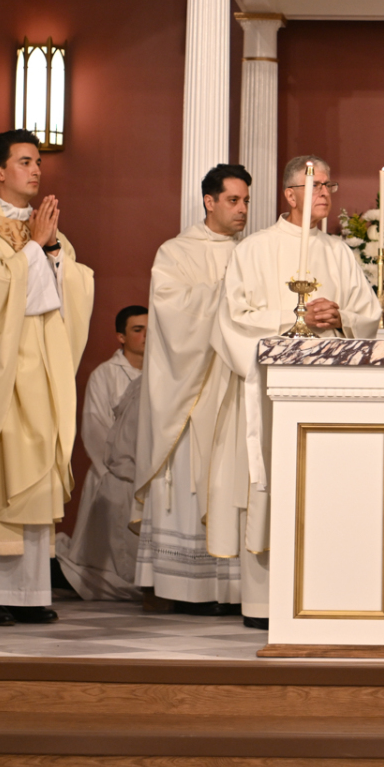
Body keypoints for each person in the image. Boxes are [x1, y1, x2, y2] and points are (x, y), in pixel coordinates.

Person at [215, 156, 380, 628]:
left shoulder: (338, 252)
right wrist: (295, 321)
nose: (326, 192)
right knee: (271, 479)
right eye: (315, 185)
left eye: (329, 184)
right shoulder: (254, 250)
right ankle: (264, 603)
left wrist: (342, 317)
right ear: (290, 195)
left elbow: (367, 312)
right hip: (270, 388)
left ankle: (326, 591)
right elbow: (234, 318)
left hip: (330, 390)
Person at [0, 130, 94, 627]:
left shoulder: (44, 230)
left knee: (36, 473)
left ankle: (29, 593)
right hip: (2, 371)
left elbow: (72, 286)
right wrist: (35, 247)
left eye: (38, 163)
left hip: (41, 371)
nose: (36, 170)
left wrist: (53, 255)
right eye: (25, 161)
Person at [133, 165, 251, 616]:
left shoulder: (250, 254)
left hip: (232, 388)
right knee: (188, 482)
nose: (242, 209)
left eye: (246, 201)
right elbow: (171, 314)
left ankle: (232, 589)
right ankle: (186, 588)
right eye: (233, 200)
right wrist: (228, 293)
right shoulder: (175, 252)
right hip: (190, 390)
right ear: (209, 201)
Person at [54, 306, 146, 601]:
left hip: (147, 472)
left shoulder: (161, 374)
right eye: (138, 330)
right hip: (113, 473)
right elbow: (95, 425)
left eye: (150, 329)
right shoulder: (105, 374)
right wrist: (119, 469)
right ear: (121, 336)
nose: (146, 336)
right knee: (110, 550)